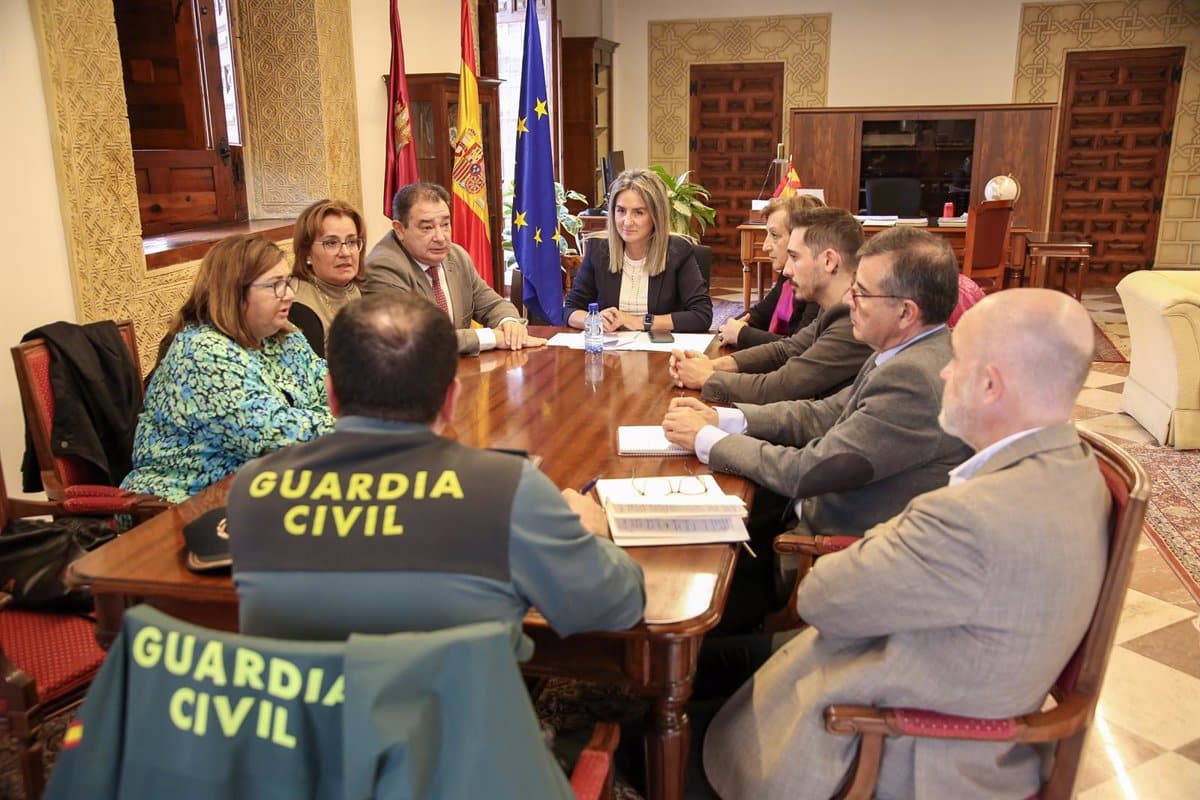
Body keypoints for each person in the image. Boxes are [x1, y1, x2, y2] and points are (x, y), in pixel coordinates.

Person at [702, 289, 1108, 800]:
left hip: (886, 742)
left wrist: (890, 536)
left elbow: (820, 599)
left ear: (989, 384)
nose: (943, 374)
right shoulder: (1073, 468)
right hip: (918, 669)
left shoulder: (973, 517)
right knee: (704, 661)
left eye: (957, 361)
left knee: (662, 720)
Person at [226, 293, 645, 650]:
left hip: (304, 738)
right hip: (461, 741)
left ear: (332, 396)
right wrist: (597, 530)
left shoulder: (252, 490)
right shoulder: (507, 490)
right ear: (451, 401)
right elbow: (619, 606)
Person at [663, 226, 971, 541]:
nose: (849, 300)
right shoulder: (908, 349)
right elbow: (823, 414)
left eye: (861, 292)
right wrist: (723, 418)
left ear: (906, 312)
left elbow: (808, 470)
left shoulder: (913, 378)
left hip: (824, 540)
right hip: (812, 506)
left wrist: (707, 438)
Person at [121, 235, 334, 504]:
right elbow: (274, 435)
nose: (290, 294)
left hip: (265, 488)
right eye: (275, 285)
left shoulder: (284, 337)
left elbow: (336, 393)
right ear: (234, 292)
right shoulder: (202, 352)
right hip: (183, 502)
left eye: (287, 281)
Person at [670, 206, 874, 405]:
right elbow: (787, 350)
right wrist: (713, 365)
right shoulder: (833, 306)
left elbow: (781, 386)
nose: (786, 271)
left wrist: (706, 378)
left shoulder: (854, 317)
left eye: (794, 257)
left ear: (829, 260)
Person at [363, 182, 545, 356]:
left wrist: (510, 324)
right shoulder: (384, 267)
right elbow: (411, 339)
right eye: (427, 227)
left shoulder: (455, 256)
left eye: (445, 224)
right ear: (400, 229)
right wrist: (491, 337)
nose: (441, 237)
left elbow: (493, 304)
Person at [564, 168, 712, 333]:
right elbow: (570, 309)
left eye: (638, 212)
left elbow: (701, 315)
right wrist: (593, 319)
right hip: (611, 354)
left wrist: (638, 322)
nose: (627, 222)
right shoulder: (598, 250)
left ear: (656, 216)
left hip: (660, 353)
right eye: (620, 210)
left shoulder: (677, 251)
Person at [715, 194, 824, 349]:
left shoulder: (820, 287)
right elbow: (760, 314)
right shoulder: (787, 276)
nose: (765, 246)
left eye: (774, 235)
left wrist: (741, 334)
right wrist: (732, 326)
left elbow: (799, 347)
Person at [287, 198, 366, 358]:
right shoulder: (299, 308)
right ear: (307, 252)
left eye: (351, 242)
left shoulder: (353, 289)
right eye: (331, 243)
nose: (345, 253)